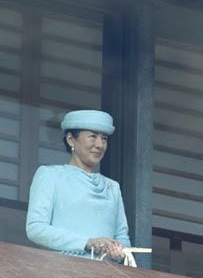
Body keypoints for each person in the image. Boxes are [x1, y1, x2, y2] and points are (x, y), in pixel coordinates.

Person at [26, 109, 130, 261]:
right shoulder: (50, 176)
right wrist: (86, 243)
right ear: (70, 139)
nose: (100, 145)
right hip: (62, 272)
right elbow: (35, 228)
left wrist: (119, 252)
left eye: (104, 138)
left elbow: (122, 238)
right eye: (93, 136)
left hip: (105, 277)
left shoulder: (112, 187)